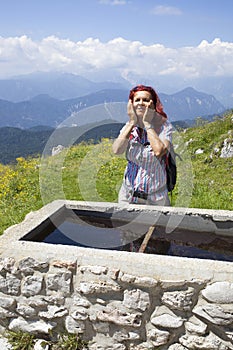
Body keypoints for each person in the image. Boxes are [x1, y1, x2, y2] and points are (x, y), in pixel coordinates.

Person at [112, 84, 173, 206]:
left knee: (158, 225)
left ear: (153, 104)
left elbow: (159, 151)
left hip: (156, 198)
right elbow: (117, 150)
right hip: (128, 195)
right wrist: (132, 122)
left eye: (145, 100)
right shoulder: (129, 128)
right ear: (131, 104)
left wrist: (147, 123)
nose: (141, 103)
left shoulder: (164, 127)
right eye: (137, 100)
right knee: (127, 225)